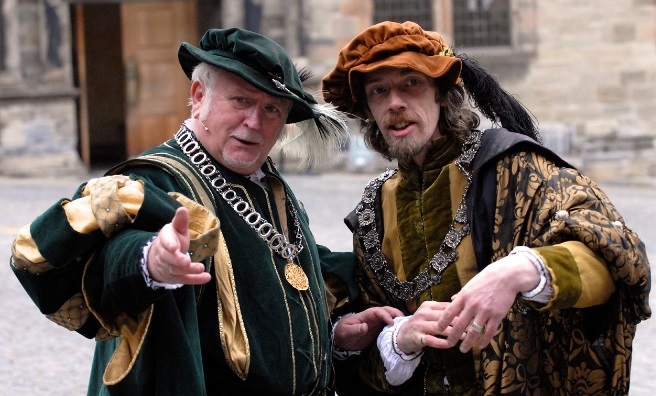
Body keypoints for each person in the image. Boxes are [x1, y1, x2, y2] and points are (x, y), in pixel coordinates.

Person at [10, 28, 401, 395]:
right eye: (241, 101)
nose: (254, 122)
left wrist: (335, 332)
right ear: (198, 96)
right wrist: (152, 262)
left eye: (272, 110)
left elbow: (282, 285)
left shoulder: (269, 187)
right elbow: (110, 255)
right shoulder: (154, 180)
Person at [323, 21, 651, 395]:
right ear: (368, 110)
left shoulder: (515, 168)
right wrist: (400, 340)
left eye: (410, 83)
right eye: (378, 91)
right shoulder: (373, 212)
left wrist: (519, 270)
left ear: (442, 94)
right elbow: (368, 357)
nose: (395, 102)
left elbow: (616, 255)